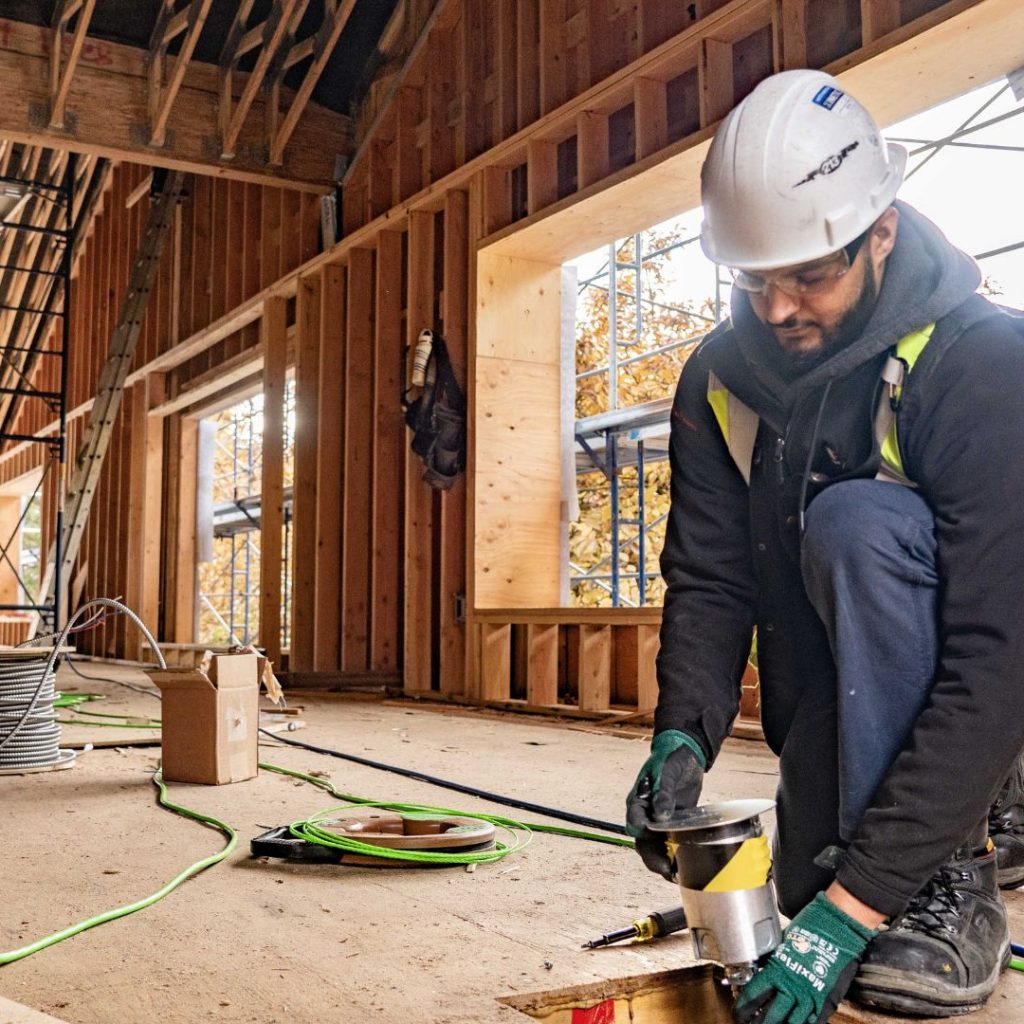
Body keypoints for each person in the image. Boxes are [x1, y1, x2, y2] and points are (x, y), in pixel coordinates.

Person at [624, 68, 1024, 1024]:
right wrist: (683, 732)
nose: (777, 308)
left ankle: (963, 866)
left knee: (858, 522)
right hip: (845, 704)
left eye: (811, 273)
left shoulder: (981, 363)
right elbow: (713, 578)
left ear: (880, 230)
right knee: (805, 894)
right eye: (755, 278)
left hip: (1001, 706)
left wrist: (866, 901)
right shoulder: (719, 382)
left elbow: (999, 653)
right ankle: (888, 848)